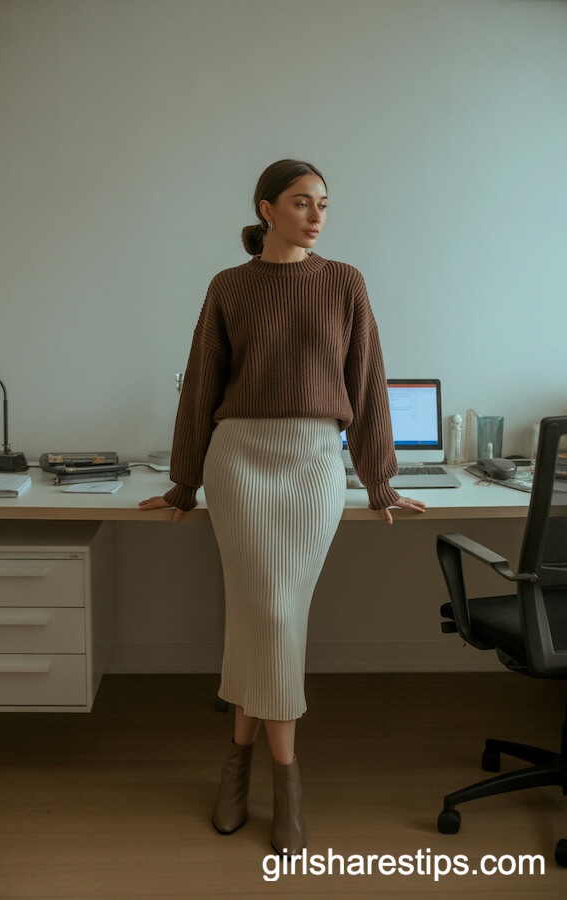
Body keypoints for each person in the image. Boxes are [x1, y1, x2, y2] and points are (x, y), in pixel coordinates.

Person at [139, 159, 426, 856]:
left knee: (270, 613)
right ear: (266, 209)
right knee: (264, 610)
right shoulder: (229, 287)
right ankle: (280, 781)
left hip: (313, 460)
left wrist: (378, 479)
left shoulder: (344, 281)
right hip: (238, 459)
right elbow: (201, 382)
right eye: (302, 202)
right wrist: (184, 483)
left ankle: (249, 767)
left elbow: (368, 380)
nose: (318, 215)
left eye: (324, 203)